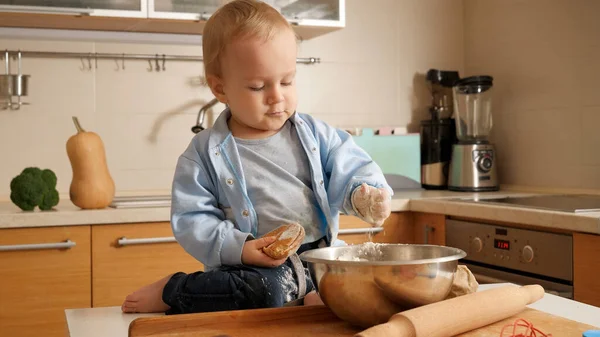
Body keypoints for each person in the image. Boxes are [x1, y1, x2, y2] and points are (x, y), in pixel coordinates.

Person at [121, 0, 392, 315]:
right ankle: (177, 290)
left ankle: (311, 297)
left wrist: (363, 193)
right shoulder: (203, 154)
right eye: (258, 86)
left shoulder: (316, 135)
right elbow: (192, 220)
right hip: (256, 269)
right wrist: (243, 249)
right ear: (220, 88)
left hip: (320, 258)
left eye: (287, 81)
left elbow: (351, 167)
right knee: (267, 291)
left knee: (368, 280)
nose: (277, 95)